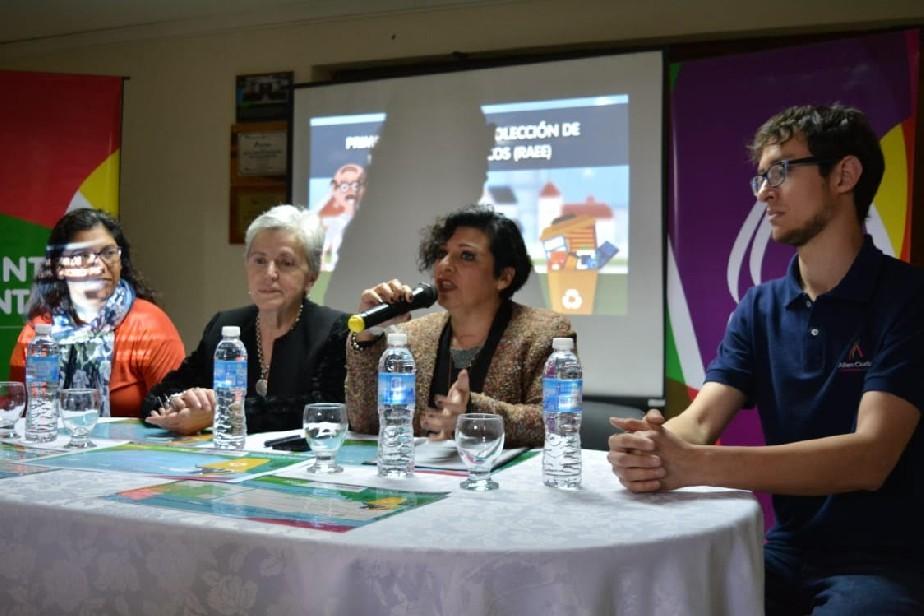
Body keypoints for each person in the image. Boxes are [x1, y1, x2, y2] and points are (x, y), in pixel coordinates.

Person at [608, 105, 924, 614]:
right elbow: (700, 421)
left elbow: (870, 457)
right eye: (760, 178)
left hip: (885, 564)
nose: (763, 193)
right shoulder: (760, 306)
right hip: (785, 549)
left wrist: (695, 463)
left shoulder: (907, 297)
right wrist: (651, 445)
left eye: (781, 171)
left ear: (844, 175)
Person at [347, 205, 574, 448]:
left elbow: (556, 422)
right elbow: (365, 423)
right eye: (442, 253)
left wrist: (473, 413)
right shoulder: (411, 336)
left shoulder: (542, 333)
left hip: (496, 469)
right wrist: (369, 336)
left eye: (466, 256)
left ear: (503, 277)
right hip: (419, 469)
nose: (445, 265)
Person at [143, 204, 348, 435]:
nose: (269, 273)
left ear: (311, 277)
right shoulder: (224, 326)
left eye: (286, 263)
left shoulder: (335, 330)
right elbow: (158, 396)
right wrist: (180, 403)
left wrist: (223, 412)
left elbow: (326, 409)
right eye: (259, 261)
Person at [9, 208, 185, 417]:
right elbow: (19, 413)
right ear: (59, 268)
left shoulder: (150, 325)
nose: (100, 266)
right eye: (83, 255)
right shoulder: (39, 332)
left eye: (109, 253)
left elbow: (177, 413)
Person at [318, 163, 365, 268]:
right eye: (344, 187)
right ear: (334, 189)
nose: (351, 191)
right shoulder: (331, 219)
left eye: (356, 186)